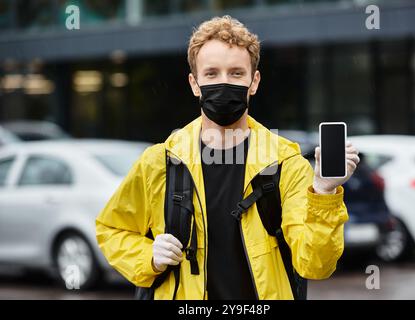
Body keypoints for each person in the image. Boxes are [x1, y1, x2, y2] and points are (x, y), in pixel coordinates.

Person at [96, 15, 360, 300]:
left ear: (254, 81)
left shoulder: (287, 164)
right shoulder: (158, 162)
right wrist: (148, 255)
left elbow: (316, 265)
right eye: (211, 74)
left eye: (236, 73)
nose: (224, 83)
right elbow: (111, 229)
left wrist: (324, 190)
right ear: (194, 83)